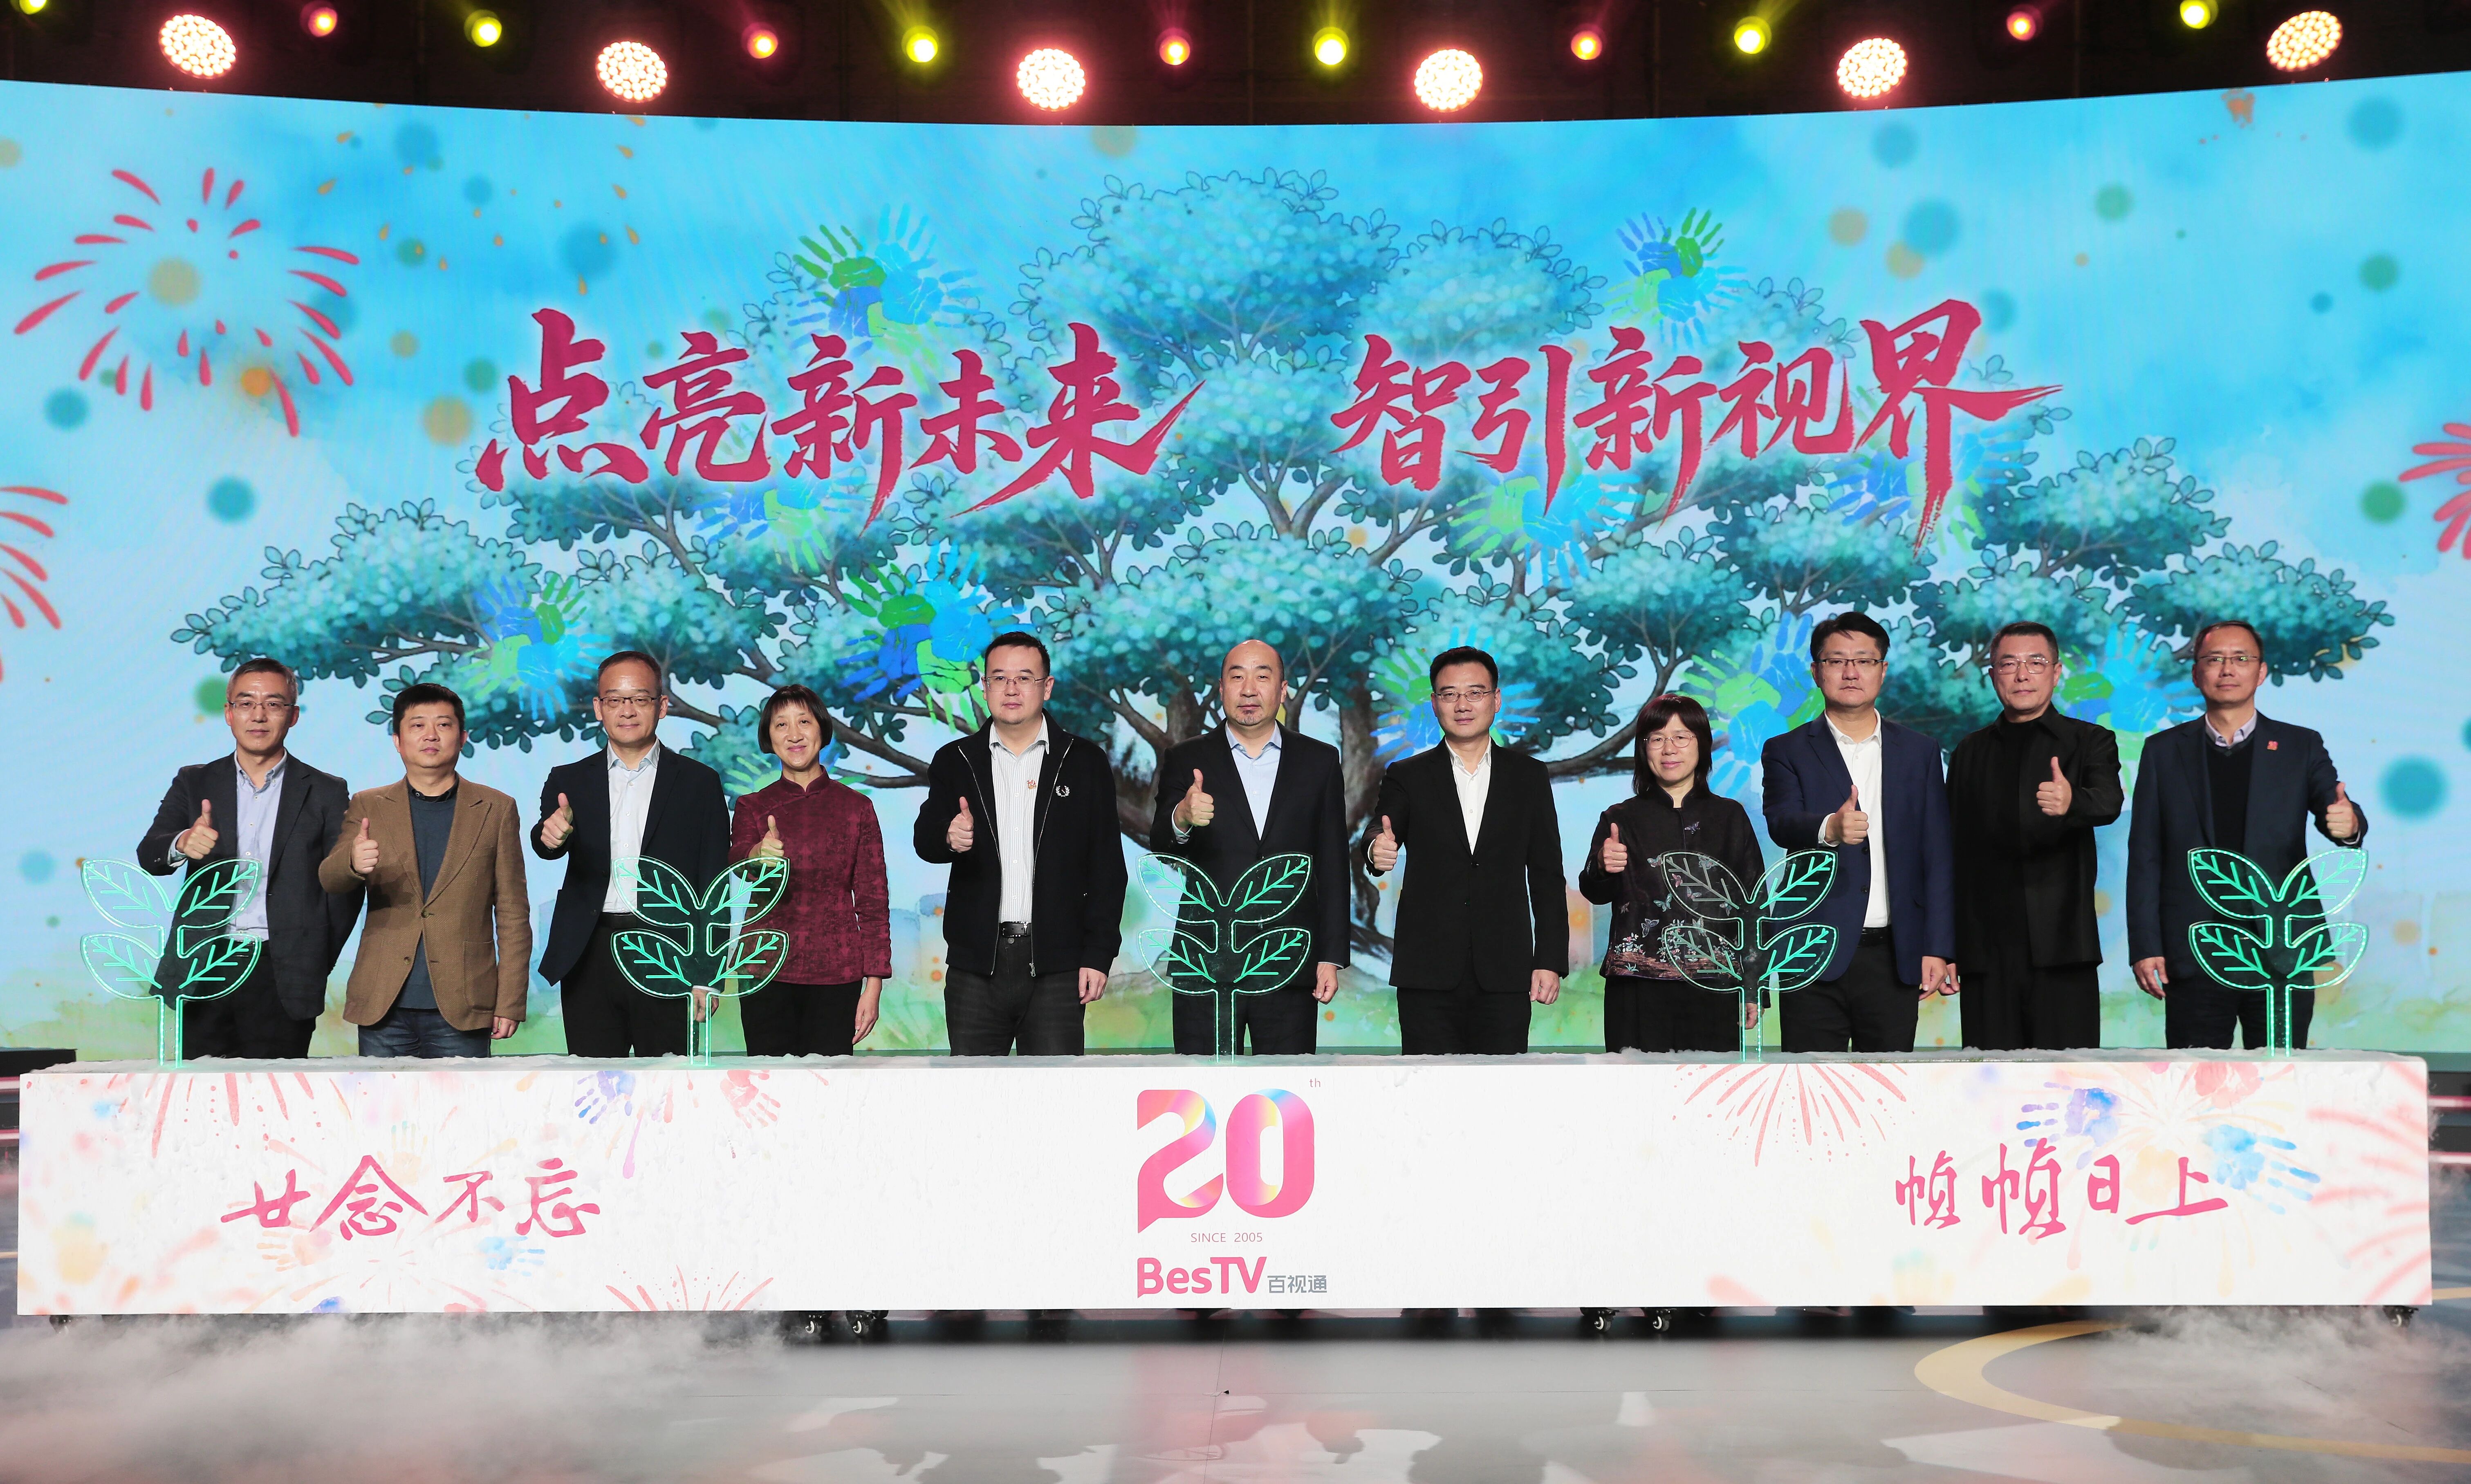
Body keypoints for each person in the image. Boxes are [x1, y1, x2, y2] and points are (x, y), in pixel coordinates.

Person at [2128, 619, 2366, 1049]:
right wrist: (2146, 945)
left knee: (2281, 1076)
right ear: (2196, 673)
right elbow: (2145, 854)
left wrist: (2348, 826)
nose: (2227, 669)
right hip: (2196, 946)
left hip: (2282, 948)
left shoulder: (2300, 745)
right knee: (2196, 1079)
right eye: (2214, 659)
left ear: (2261, 672)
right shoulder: (2163, 751)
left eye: (2241, 658)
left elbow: (2333, 806)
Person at [914, 632, 1127, 1056]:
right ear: (984, 687)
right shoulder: (955, 760)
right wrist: (949, 837)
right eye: (999, 678)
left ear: (1046, 687)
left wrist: (1098, 954)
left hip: (1058, 966)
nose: (1011, 689)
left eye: (1025, 678)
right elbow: (925, 839)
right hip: (975, 967)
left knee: (1054, 1093)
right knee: (973, 1091)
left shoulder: (1084, 762)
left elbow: (1107, 868)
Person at [136, 657, 360, 1057]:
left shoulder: (326, 790)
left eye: (273, 704)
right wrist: (182, 842)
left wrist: (315, 959)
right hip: (204, 961)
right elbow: (149, 852)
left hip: (283, 967)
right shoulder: (195, 781)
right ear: (229, 713)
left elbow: (343, 887)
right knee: (201, 1090)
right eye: (246, 703)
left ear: (293, 716)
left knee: (275, 1091)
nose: (259, 715)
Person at [1759, 612, 1956, 1053]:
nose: (1851, 672)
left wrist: (1938, 947)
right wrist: (1829, 827)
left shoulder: (1920, 751)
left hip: (1895, 953)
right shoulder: (1786, 749)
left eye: (1864, 661)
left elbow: (1938, 855)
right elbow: (1781, 822)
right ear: (1816, 671)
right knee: (1808, 1086)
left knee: (1888, 1086)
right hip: (1810, 951)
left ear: (1882, 670)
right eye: (1837, 661)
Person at [1150, 639, 1351, 1054]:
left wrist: (1330, 955)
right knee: (1203, 1086)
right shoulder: (1185, 758)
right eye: (1237, 676)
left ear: (1282, 690)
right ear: (1221, 688)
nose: (1248, 689)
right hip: (1205, 960)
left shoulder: (1319, 761)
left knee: (1286, 1088)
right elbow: (1161, 844)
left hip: (1288, 957)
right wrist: (1182, 817)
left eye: (1262, 676)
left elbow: (1332, 863)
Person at [1366, 647, 1565, 1055]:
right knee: (1426, 1087)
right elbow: (1380, 828)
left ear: (1496, 699)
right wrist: (1375, 849)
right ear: (1434, 702)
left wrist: (1548, 960)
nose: (1462, 705)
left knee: (1503, 1089)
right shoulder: (1407, 775)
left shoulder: (1529, 777)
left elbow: (1547, 875)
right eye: (1449, 694)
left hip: (1506, 972)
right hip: (1427, 973)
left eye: (1475, 693)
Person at [531, 651, 731, 1057]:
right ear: (598, 708)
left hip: (670, 952)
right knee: (594, 1082)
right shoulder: (569, 779)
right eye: (614, 699)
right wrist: (550, 837)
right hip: (589, 953)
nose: (627, 710)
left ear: (662, 706)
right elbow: (546, 841)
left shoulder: (700, 782)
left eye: (640, 699)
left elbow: (714, 882)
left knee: (670, 1083)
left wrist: (707, 972)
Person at [319, 683, 529, 1056]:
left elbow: (513, 912)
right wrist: (352, 862)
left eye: (443, 725)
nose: (431, 735)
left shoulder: (496, 808)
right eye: (417, 725)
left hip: (465, 1002)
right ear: (398, 741)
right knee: (380, 1097)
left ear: (463, 738)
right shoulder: (369, 804)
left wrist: (510, 1000)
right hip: (384, 1002)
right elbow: (329, 878)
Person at [1947, 622, 2124, 1051]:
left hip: (2063, 948)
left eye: (2036, 662)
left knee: (2067, 1079)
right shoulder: (1968, 751)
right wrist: (1946, 945)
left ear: (2056, 672)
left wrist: (2072, 801)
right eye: (2008, 664)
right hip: (1984, 952)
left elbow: (2109, 801)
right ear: (1993, 674)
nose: (2022, 674)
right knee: (1987, 1079)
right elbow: (1952, 849)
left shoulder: (2089, 740)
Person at [1578, 694, 1766, 1054]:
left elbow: (1754, 905)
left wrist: (1754, 985)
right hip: (1636, 985)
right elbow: (1595, 891)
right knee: (1636, 1086)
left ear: (1701, 744)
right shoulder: (1620, 817)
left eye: (1681, 737)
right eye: (1657, 738)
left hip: (1715, 983)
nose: (1669, 748)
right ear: (1644, 748)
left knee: (1711, 1087)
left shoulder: (1730, 817)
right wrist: (1601, 866)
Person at [732, 685, 890, 1056]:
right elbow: (738, 859)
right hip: (763, 969)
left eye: (804, 721)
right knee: (768, 1083)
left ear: (822, 728)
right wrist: (759, 853)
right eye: (781, 724)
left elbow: (873, 900)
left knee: (830, 1086)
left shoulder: (857, 808)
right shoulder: (752, 806)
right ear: (769, 738)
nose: (794, 734)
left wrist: (874, 983)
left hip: (838, 972)